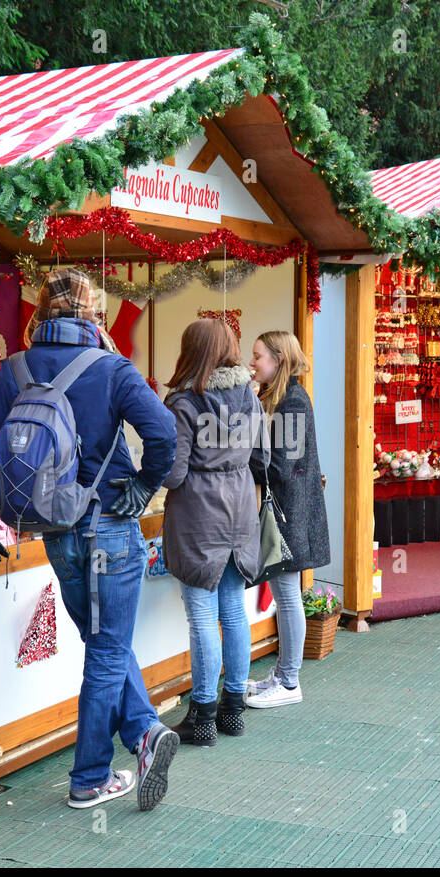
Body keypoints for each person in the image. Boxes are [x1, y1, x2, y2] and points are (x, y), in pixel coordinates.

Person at [0, 267, 180, 811]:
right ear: (91, 314)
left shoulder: (7, 374)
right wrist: (143, 485)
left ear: (40, 311)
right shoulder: (113, 369)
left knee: (103, 643)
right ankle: (90, 777)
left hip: (55, 533)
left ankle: (145, 733)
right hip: (112, 527)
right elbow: (165, 435)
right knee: (107, 648)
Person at [161, 319, 265, 746]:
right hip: (240, 511)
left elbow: (173, 472)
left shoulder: (184, 403)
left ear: (191, 351)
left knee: (202, 617)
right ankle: (233, 710)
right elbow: (260, 456)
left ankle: (202, 716)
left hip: (199, 516)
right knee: (234, 613)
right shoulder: (250, 399)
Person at [244, 331, 329, 709]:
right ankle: (282, 675)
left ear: (277, 360)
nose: (253, 362)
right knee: (286, 595)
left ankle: (290, 681)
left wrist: (242, 448)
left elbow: (280, 465)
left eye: (258, 356)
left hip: (289, 512)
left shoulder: (291, 402)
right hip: (288, 509)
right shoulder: (281, 397)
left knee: (288, 597)